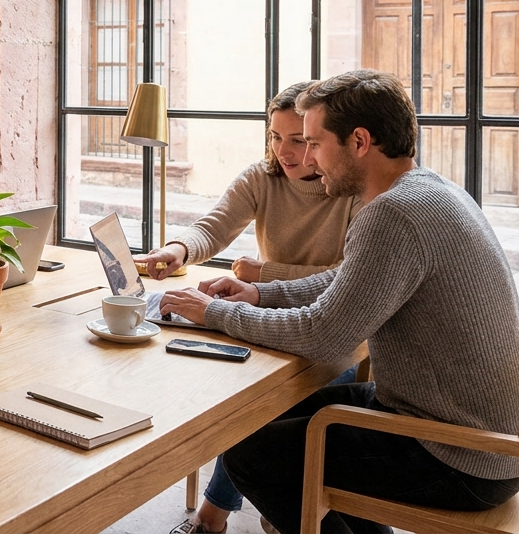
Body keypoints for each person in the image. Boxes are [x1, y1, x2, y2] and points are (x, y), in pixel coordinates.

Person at [160, 70, 519, 534]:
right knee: (257, 420)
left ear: (359, 141)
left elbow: (322, 335)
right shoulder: (428, 190)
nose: (308, 159)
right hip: (482, 437)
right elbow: (348, 279)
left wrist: (216, 312)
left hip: (460, 454)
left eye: (314, 143)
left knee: (249, 456)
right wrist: (259, 293)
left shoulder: (391, 213)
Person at [136, 82, 360, 534]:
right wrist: (178, 249)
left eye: (298, 140)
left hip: (332, 330)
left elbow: (345, 276)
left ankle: (214, 515)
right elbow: (213, 226)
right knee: (228, 388)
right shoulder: (262, 177)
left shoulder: (350, 189)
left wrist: (265, 274)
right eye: (275, 137)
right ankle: (264, 505)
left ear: (321, 140)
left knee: (263, 407)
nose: (284, 151)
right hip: (264, 316)